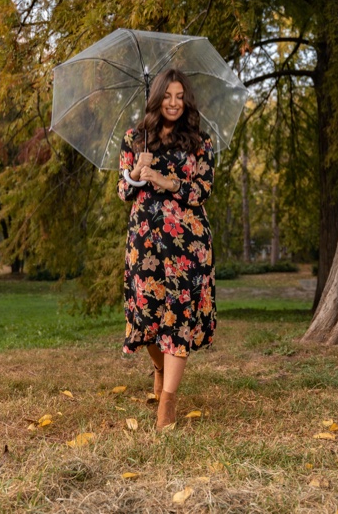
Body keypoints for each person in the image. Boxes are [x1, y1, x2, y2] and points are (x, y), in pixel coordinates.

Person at [117, 68, 216, 430]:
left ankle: (168, 405)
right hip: (144, 242)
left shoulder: (199, 142)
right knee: (146, 315)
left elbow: (201, 191)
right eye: (167, 96)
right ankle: (159, 368)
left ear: (186, 100)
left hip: (188, 244)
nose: (173, 103)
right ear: (156, 97)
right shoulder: (135, 138)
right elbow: (123, 192)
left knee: (178, 316)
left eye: (180, 96)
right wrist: (136, 175)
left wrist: (164, 179)